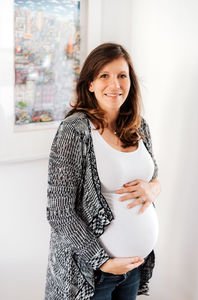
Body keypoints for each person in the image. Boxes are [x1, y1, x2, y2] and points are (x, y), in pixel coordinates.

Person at [45, 43, 161, 300]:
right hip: (93, 273)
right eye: (104, 76)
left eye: (122, 75)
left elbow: (153, 177)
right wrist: (102, 261)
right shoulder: (74, 130)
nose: (115, 85)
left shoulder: (139, 126)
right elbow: (59, 212)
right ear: (90, 84)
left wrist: (154, 188)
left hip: (133, 268)